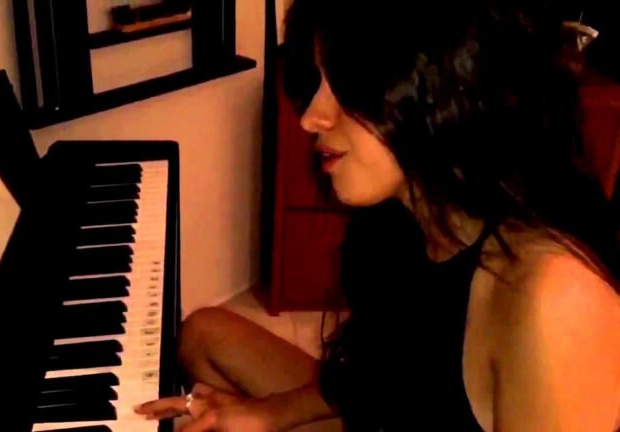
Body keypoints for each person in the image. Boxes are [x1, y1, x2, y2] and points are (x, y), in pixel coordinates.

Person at [136, 1, 620, 430]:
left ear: (442, 82)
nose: (311, 117)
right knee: (201, 335)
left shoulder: (553, 298)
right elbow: (380, 371)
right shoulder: (407, 212)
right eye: (319, 81)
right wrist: (269, 414)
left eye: (349, 84)